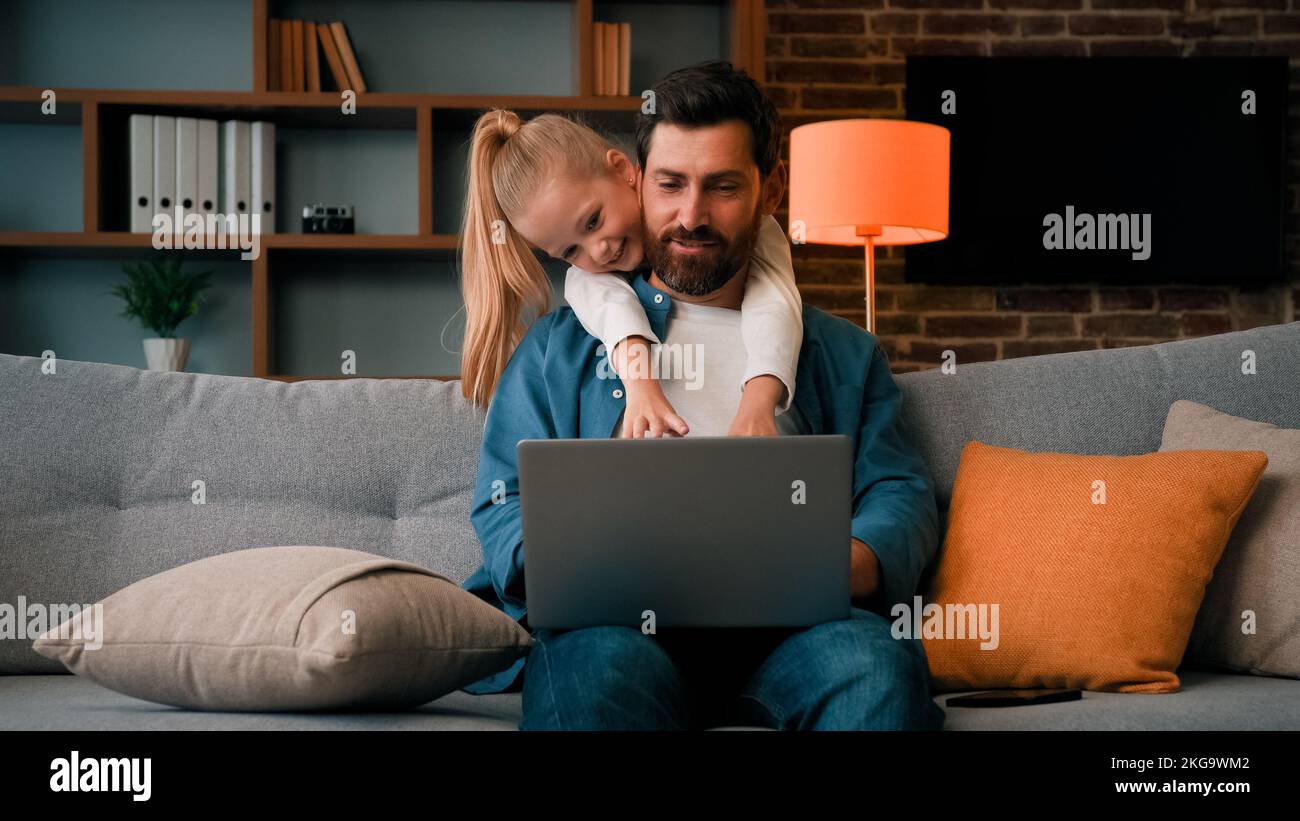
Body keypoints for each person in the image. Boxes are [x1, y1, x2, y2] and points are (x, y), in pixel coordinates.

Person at [457, 60, 946, 730]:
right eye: (671, 185)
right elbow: (501, 499)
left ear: (769, 190)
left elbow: (900, 491)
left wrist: (847, 565)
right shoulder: (555, 350)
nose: (691, 215)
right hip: (621, 634)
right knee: (588, 674)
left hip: (800, 633)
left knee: (875, 669)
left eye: (721, 187)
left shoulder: (844, 354)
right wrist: (566, 563)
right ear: (637, 177)